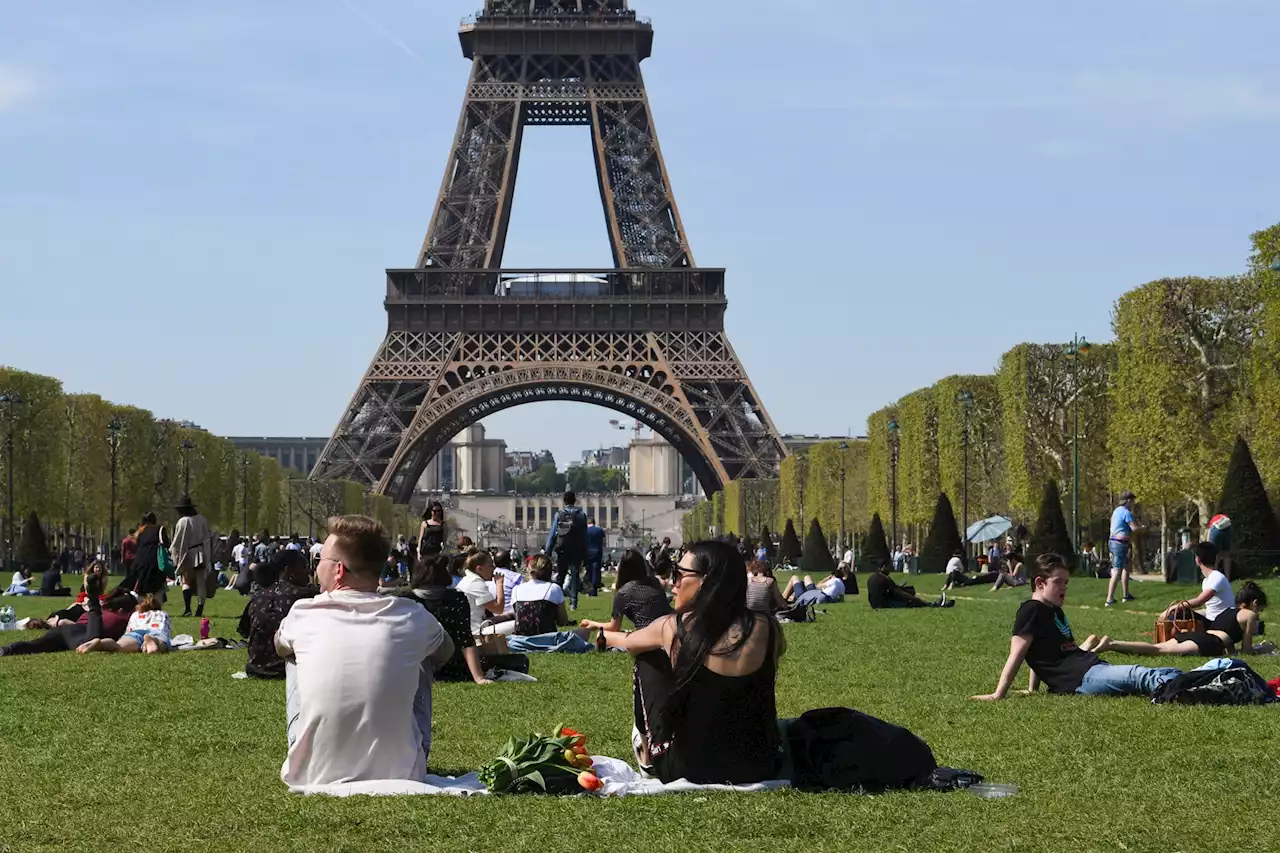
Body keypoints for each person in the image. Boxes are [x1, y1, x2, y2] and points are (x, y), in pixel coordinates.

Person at [274, 515, 453, 789]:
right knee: (425, 654)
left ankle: (312, 752)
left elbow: (278, 645)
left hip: (312, 773)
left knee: (292, 652)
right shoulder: (412, 615)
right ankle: (395, 748)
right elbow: (446, 652)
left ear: (338, 570)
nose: (315, 566)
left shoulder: (303, 613)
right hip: (404, 771)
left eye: (320, 559)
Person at [601, 541, 785, 784]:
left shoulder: (673, 627)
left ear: (706, 580)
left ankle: (646, 752)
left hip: (689, 767)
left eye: (679, 574)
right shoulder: (769, 628)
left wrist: (603, 635)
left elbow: (630, 642)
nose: (671, 582)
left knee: (646, 656)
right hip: (759, 765)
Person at [972, 553, 1187, 700]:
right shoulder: (1031, 609)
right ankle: (1198, 686)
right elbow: (1018, 653)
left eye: (1066, 582)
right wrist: (998, 694)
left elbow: (1039, 649)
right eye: (1058, 582)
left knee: (1152, 673)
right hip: (1079, 679)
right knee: (1138, 675)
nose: (1064, 587)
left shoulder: (1053, 609)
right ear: (1040, 583)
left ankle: (1203, 677)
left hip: (1090, 667)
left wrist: (1032, 688)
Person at [1093, 581, 1268, 658]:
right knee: (1158, 651)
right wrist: (1263, 649)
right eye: (1259, 609)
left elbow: (1230, 648)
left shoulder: (1228, 611)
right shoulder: (1250, 615)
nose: (1258, 614)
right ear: (1254, 603)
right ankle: (1111, 644)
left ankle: (1112, 643)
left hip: (1197, 636)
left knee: (1157, 648)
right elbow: (1246, 650)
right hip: (1208, 643)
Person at [400, 556, 495, 685]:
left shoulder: (406, 600)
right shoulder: (456, 599)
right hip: (452, 665)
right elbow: (465, 639)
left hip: (414, 667)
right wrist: (478, 677)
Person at [1, 568, 133, 657]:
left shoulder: (107, 607)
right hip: (82, 633)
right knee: (92, 640)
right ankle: (92, 598)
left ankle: (6, 650)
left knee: (35, 645)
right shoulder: (125, 615)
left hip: (69, 630)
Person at [237, 549, 319, 679]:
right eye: (304, 568)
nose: (308, 572)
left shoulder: (259, 595)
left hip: (256, 667)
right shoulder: (307, 596)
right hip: (287, 668)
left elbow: (246, 630)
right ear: (289, 571)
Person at [580, 549, 673, 633]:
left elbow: (613, 627)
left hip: (652, 635)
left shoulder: (624, 592)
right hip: (671, 627)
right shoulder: (655, 581)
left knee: (604, 636)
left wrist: (592, 624)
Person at [78, 591, 172, 655]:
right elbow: (165, 631)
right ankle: (153, 641)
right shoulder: (162, 614)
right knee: (161, 645)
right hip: (155, 631)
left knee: (118, 646)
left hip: (135, 632)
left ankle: (100, 643)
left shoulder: (135, 614)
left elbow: (128, 630)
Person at [171, 495, 214, 617]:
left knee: (186, 580)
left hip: (188, 554)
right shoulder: (202, 519)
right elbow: (207, 538)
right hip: (200, 553)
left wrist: (176, 557)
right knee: (201, 582)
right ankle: (200, 607)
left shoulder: (183, 521)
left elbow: (178, 541)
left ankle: (188, 608)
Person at [546, 491, 588, 610]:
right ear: (575, 501)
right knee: (574, 575)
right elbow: (585, 536)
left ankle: (555, 601)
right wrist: (585, 553)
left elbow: (553, 533)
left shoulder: (559, 514)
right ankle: (573, 603)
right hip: (576, 548)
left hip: (562, 548)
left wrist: (548, 551)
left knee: (560, 575)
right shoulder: (581, 515)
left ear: (564, 501)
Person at [455, 550, 505, 637]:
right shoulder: (475, 584)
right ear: (479, 569)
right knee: (514, 624)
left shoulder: (468, 580)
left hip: (468, 628)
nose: (494, 568)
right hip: (477, 631)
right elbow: (498, 609)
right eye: (490, 566)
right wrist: (499, 584)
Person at [1106, 491, 1143, 607]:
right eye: (1132, 501)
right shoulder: (1126, 512)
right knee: (1117, 570)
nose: (1133, 503)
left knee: (1127, 567)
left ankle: (1126, 595)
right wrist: (1143, 528)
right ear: (1128, 500)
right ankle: (1109, 599)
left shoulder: (1116, 511)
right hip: (1120, 544)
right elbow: (1134, 528)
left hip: (1114, 542)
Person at [867, 561, 952, 609]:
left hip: (874, 604)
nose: (890, 569)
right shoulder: (885, 579)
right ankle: (933, 605)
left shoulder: (872, 578)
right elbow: (899, 592)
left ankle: (933, 603)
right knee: (909, 603)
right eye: (889, 567)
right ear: (883, 567)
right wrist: (915, 599)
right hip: (884, 605)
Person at [781, 568, 846, 606]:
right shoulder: (842, 585)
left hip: (810, 594)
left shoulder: (833, 581)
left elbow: (817, 586)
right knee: (806, 577)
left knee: (794, 577)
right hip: (814, 593)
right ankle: (788, 598)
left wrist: (826, 579)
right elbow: (841, 599)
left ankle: (782, 600)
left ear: (833, 576)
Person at [584, 517, 606, 597]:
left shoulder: (585, 531)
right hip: (597, 552)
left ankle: (590, 590)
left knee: (589, 571)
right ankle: (594, 590)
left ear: (587, 523)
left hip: (587, 553)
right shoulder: (599, 530)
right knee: (596, 571)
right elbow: (603, 542)